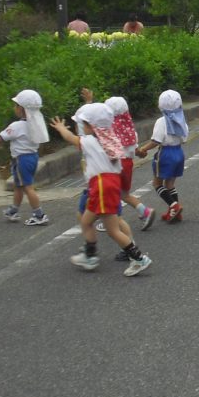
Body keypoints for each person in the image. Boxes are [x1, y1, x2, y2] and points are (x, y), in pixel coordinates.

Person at [50, 104, 152, 277]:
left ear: (90, 126)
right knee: (86, 221)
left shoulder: (90, 141)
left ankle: (138, 258)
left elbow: (71, 138)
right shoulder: (112, 140)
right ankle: (90, 255)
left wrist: (61, 128)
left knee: (111, 230)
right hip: (110, 184)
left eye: (84, 124)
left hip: (102, 185)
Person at [0, 89, 50, 226]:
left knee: (27, 187)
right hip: (33, 157)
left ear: (22, 109)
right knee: (18, 186)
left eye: (16, 105)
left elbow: (1, 137)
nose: (15, 107)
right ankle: (14, 210)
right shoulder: (36, 125)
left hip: (21, 159)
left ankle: (39, 214)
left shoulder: (17, 126)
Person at [100, 94, 156, 231]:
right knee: (124, 194)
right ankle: (145, 211)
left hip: (114, 165)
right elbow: (135, 149)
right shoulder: (130, 131)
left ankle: (112, 221)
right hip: (128, 165)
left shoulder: (109, 132)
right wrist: (141, 153)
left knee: (111, 194)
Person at [136, 89, 188, 223]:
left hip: (165, 154)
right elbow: (184, 138)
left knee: (157, 183)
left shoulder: (161, 121)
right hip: (179, 152)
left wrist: (143, 149)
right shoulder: (181, 119)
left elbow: (156, 141)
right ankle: (174, 211)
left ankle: (174, 206)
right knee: (170, 183)